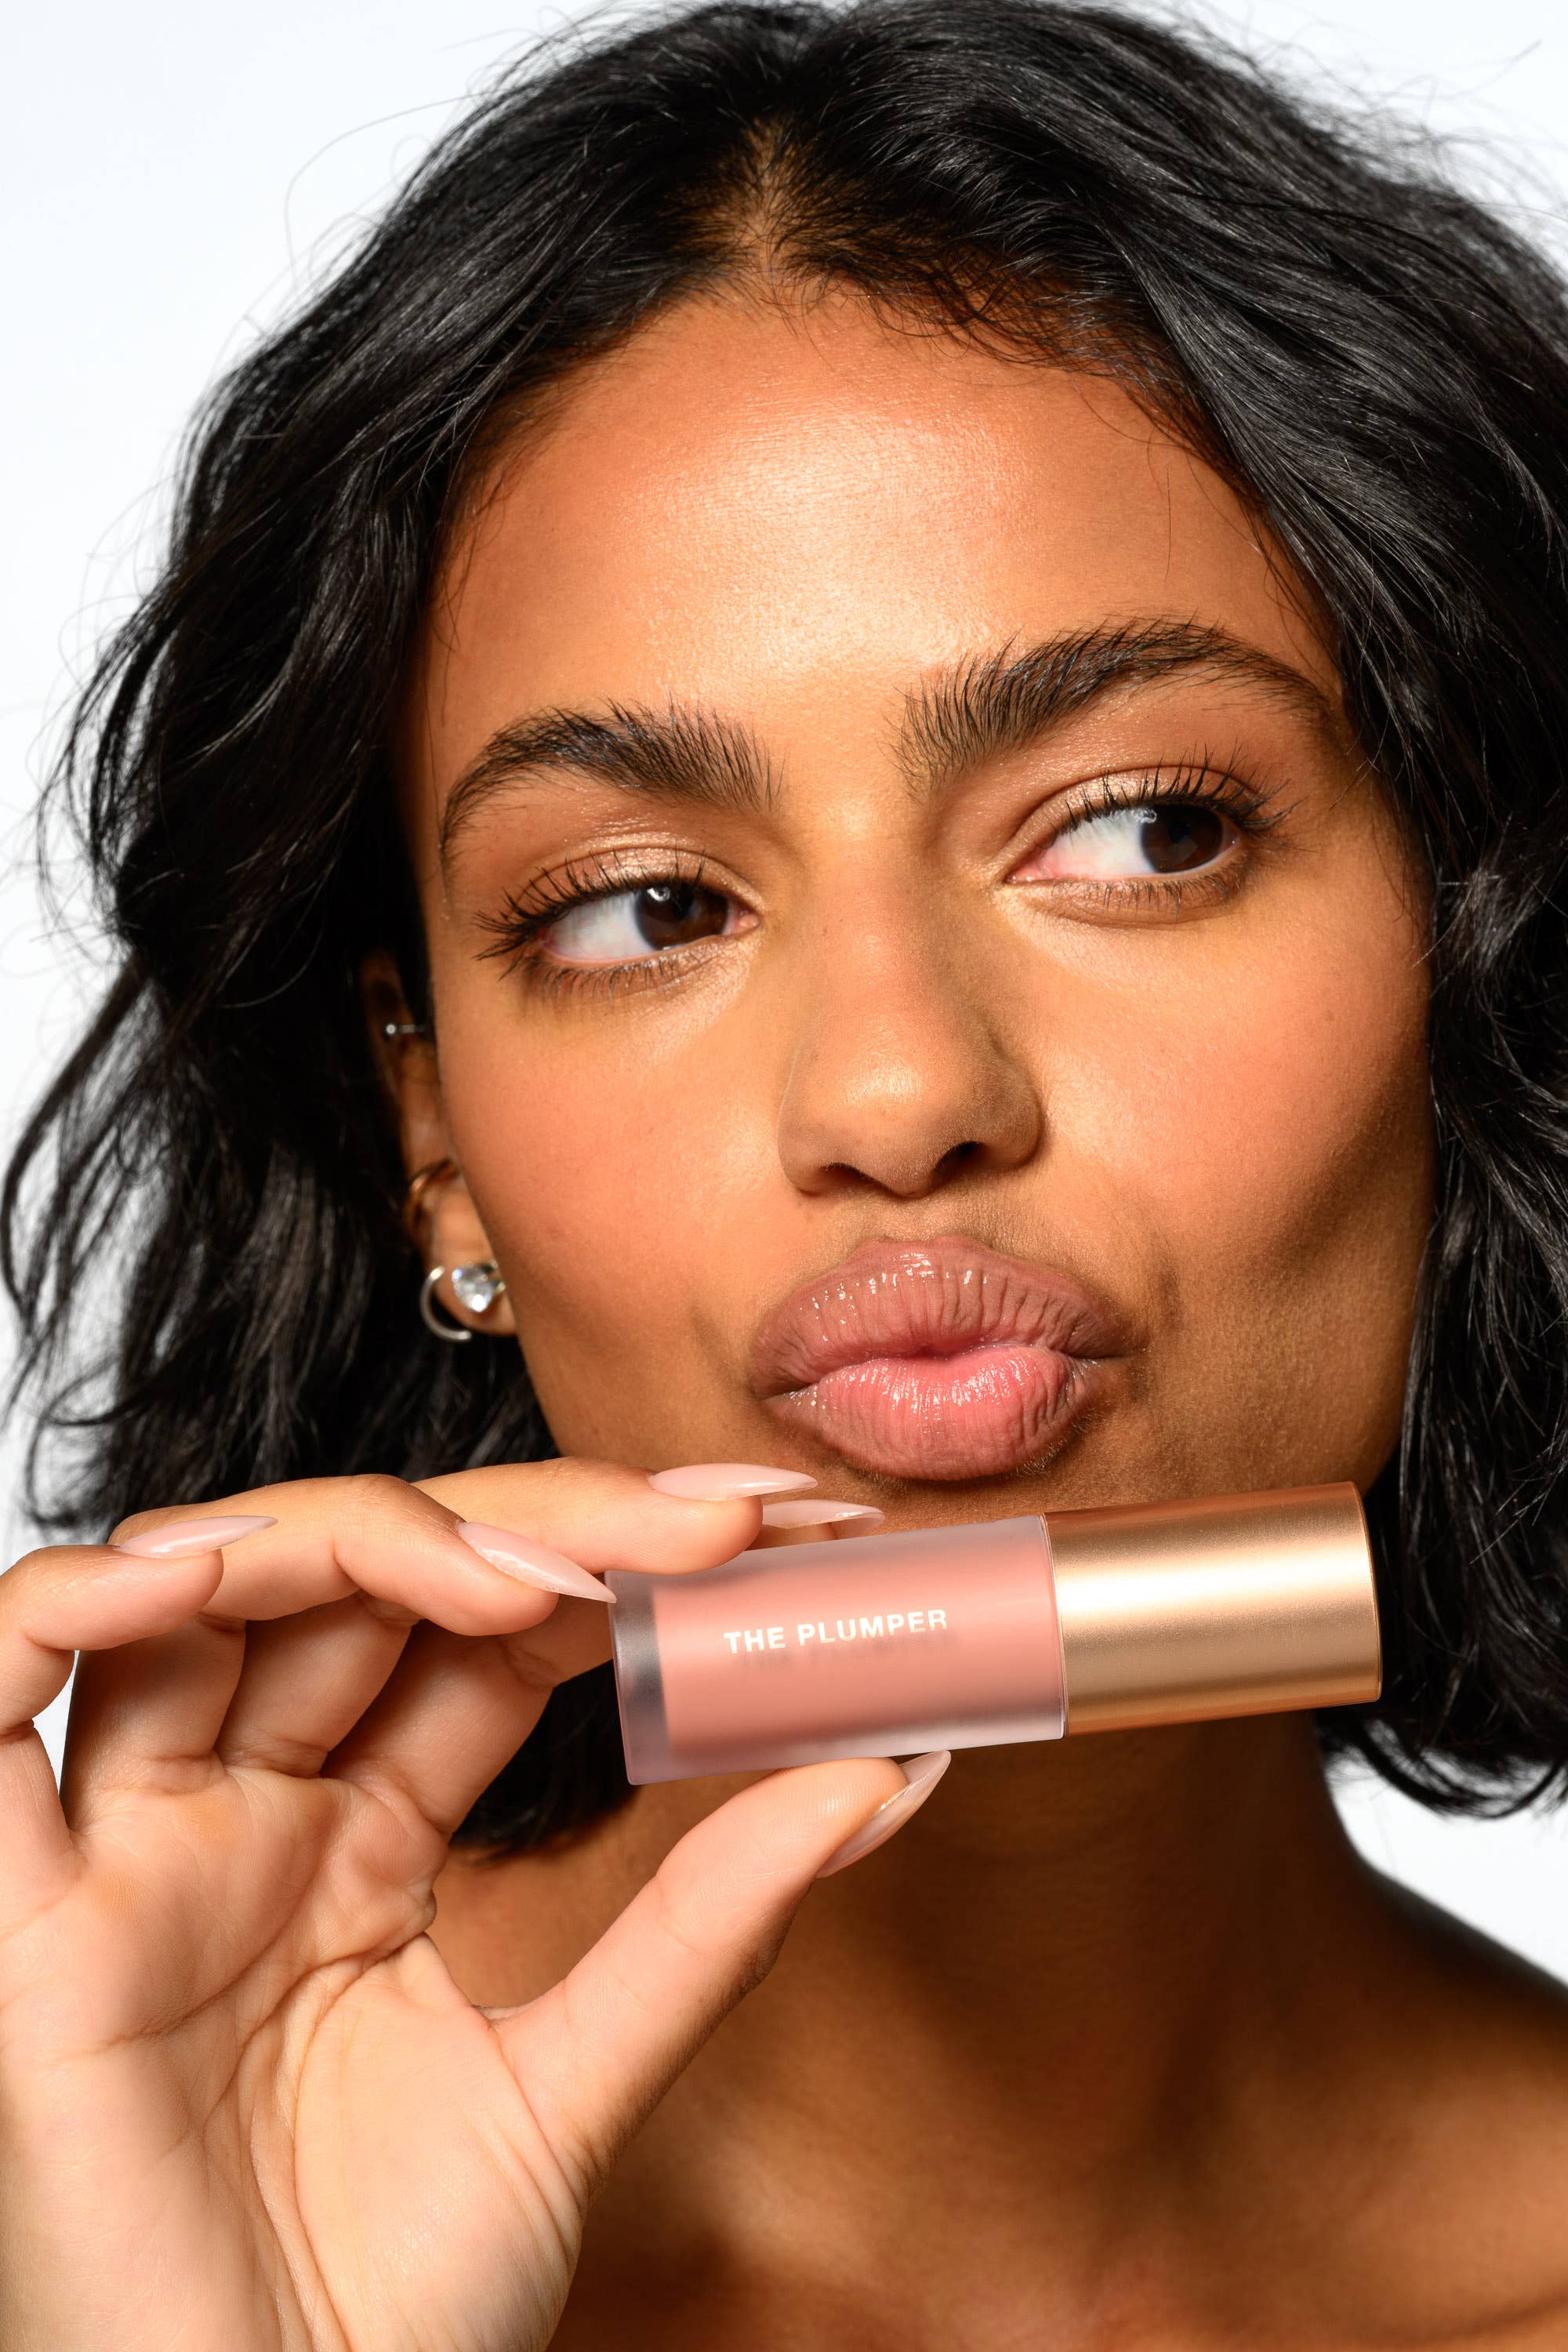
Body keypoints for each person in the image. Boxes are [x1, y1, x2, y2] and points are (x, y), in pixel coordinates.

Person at [5, 2, 1568, 2340]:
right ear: (433, 1132)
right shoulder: (99, 2208)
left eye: (1146, 831)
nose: (898, 1090)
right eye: (646, 907)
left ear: (1476, 953)